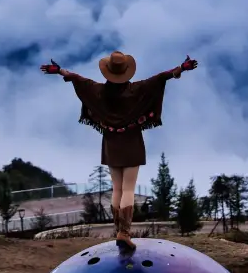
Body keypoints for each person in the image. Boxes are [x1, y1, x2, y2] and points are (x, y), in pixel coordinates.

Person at [40, 50, 198, 249]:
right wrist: (181, 68)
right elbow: (161, 78)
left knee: (117, 188)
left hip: (110, 142)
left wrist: (60, 70)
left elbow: (78, 79)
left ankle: (118, 231)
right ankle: (125, 232)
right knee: (129, 189)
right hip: (132, 141)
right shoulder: (137, 90)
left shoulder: (97, 91)